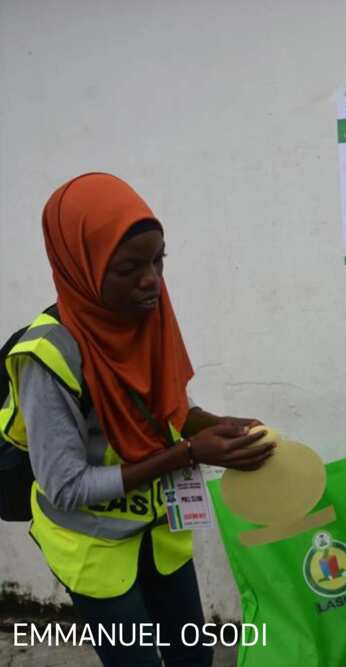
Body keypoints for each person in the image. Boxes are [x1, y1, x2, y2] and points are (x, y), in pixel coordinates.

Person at [2, 173, 276, 666]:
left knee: (194, 658)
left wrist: (214, 426)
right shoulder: (47, 356)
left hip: (161, 530)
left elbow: (164, 409)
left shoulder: (143, 314)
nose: (152, 281)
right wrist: (191, 453)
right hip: (94, 546)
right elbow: (65, 486)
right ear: (80, 266)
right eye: (130, 267)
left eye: (158, 260)